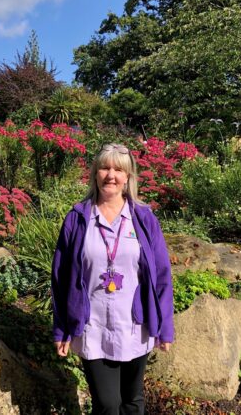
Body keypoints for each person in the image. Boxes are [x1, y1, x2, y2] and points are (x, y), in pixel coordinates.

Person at [51, 143, 174, 415]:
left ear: (128, 177)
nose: (111, 175)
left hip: (134, 327)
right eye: (105, 167)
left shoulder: (143, 218)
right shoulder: (77, 218)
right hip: (92, 327)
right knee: (107, 405)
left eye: (119, 169)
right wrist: (62, 328)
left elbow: (162, 276)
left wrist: (164, 326)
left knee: (133, 401)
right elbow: (60, 279)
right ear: (95, 173)